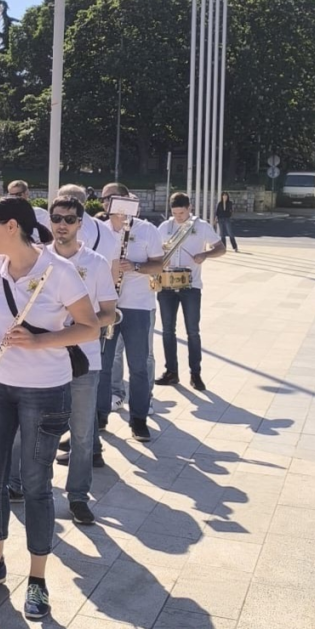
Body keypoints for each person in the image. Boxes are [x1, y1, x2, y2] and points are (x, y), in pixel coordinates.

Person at [0, 197, 100, 621]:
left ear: (12, 226)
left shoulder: (59, 272)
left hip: (44, 389)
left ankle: (37, 579)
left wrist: (39, 342)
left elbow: (93, 325)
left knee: (35, 483)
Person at [44, 196, 117, 526]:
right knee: (37, 429)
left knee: (83, 433)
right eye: (57, 218)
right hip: (43, 357)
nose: (62, 224)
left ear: (80, 223)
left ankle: (77, 496)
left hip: (83, 359)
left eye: (70, 219)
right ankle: (32, 487)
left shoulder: (97, 262)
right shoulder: (38, 259)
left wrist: (82, 326)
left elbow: (110, 313)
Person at [97, 190, 165, 443]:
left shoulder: (147, 229)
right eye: (107, 199)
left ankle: (138, 419)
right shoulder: (98, 229)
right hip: (106, 305)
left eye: (117, 199)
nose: (111, 204)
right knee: (102, 365)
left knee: (138, 366)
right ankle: (100, 414)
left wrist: (135, 267)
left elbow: (159, 265)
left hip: (137, 305)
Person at [155, 192, 225, 391]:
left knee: (192, 331)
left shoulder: (200, 226)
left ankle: (196, 373)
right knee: (168, 330)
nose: (178, 217)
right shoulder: (164, 227)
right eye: (175, 213)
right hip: (167, 284)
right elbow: (154, 251)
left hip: (191, 285)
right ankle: (171, 372)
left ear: (190, 208)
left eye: (182, 213)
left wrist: (205, 254)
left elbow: (221, 248)